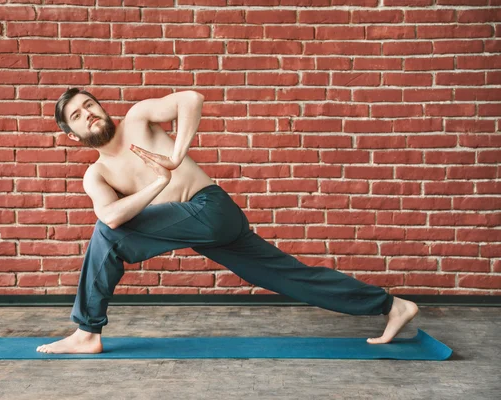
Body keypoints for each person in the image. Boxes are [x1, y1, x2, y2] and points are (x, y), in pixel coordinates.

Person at [36, 88, 419, 354]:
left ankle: (87, 331)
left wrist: (176, 156)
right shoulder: (97, 175)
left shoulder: (138, 119)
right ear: (72, 135)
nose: (89, 114)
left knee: (108, 237)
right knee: (290, 276)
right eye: (77, 116)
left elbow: (190, 100)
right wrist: (159, 182)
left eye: (90, 105)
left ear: (101, 108)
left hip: (212, 209)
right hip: (205, 230)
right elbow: (111, 214)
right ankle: (390, 306)